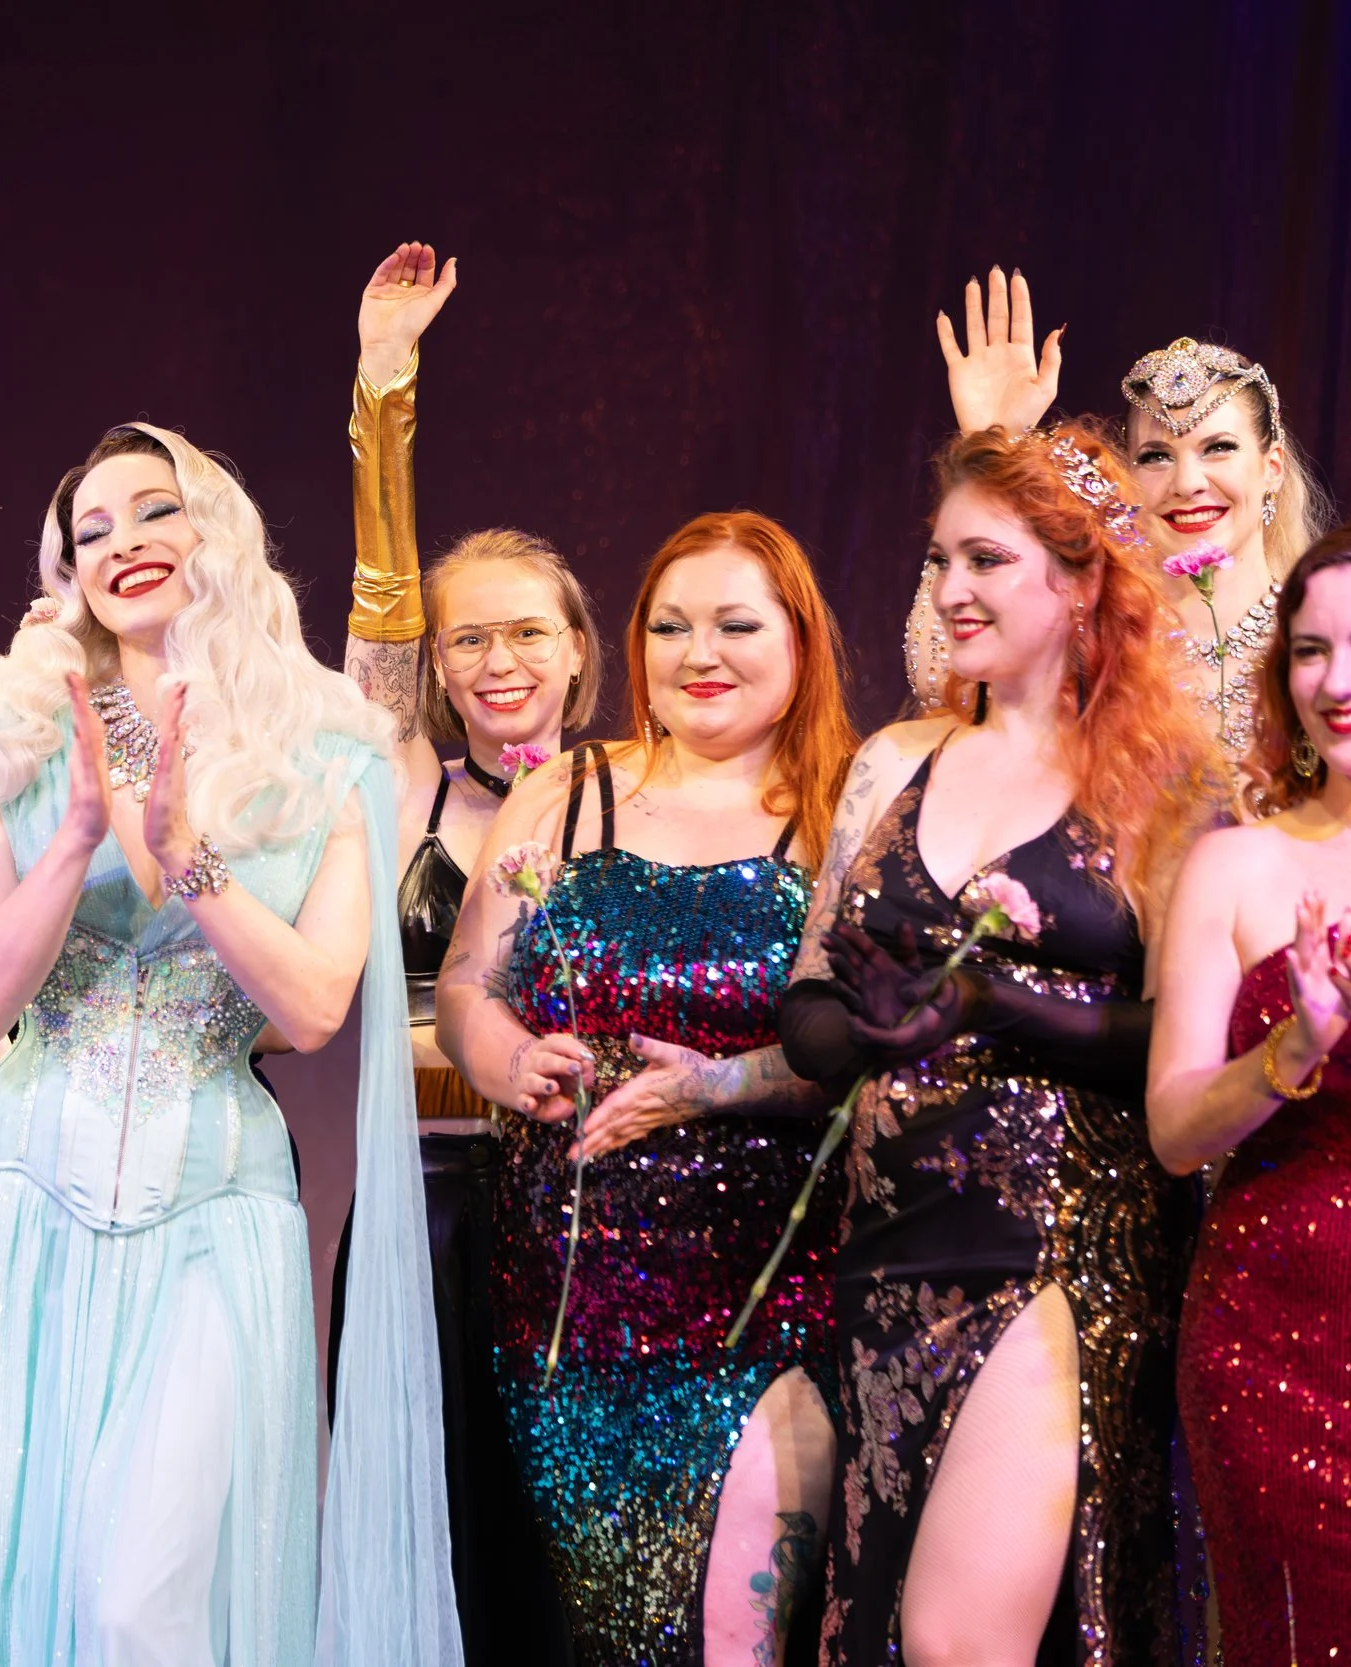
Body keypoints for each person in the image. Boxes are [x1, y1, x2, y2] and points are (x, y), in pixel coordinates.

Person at [0, 424, 453, 1665]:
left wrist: (185, 852)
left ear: (218, 531)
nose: (123, 544)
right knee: (25, 1577)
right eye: (91, 530)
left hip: (214, 1204)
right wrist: (78, 832)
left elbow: (310, 1008)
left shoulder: (333, 751)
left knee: (144, 1600)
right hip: (22, 1189)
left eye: (153, 511)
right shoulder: (16, 732)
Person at [778, 421, 1219, 1663]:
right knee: (886, 1613)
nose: (951, 590)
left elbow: (1176, 1042)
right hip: (884, 1253)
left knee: (959, 1636)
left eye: (986, 559)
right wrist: (861, 1029)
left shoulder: (1167, 783)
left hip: (1053, 1247)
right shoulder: (894, 761)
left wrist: (992, 1007)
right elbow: (805, 998)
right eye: (937, 562)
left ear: (1080, 583)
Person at [437, 510, 851, 1666]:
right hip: (567, 1306)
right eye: (668, 625)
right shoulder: (565, 794)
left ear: (800, 641)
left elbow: (872, 1048)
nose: (696, 652)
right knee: (615, 1632)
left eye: (733, 623)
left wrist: (728, 1083)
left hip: (764, 1295)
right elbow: (469, 985)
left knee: (735, 1636)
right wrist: (508, 1054)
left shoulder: (840, 814)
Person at [336, 242, 597, 1657]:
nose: (492, 661)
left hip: (590, 1205)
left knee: (574, 1544)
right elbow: (380, 603)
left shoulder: (630, 797)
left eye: (521, 634)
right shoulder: (402, 776)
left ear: (575, 644)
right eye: (463, 642)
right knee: (435, 1523)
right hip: (429, 1203)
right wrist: (386, 388)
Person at [1146, 518, 1351, 1662]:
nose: (1338, 680)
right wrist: (1291, 1046)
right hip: (1266, 1348)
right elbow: (1177, 1130)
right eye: (1309, 651)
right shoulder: (1235, 862)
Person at [918, 267, 1331, 760]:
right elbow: (941, 675)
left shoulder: (1319, 633)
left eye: (1218, 448)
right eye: (1156, 456)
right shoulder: (1096, 634)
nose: (1186, 483)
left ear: (1272, 468)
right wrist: (990, 442)